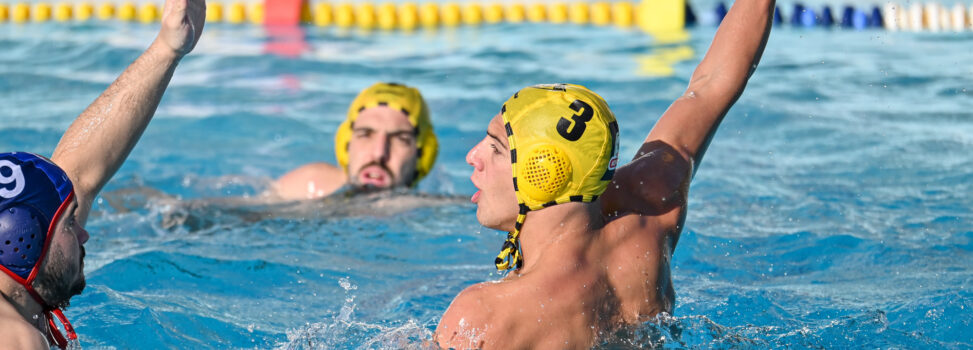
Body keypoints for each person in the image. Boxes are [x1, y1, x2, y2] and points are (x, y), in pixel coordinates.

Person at [434, 0, 775, 347]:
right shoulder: (648, 214)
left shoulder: (484, 314)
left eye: (495, 148)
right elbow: (711, 85)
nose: (472, 156)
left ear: (544, 174)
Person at [0, 0, 205, 347]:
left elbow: (80, 172)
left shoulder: (19, 294)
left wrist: (168, 47)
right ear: (23, 240)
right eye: (68, 223)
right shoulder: (15, 337)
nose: (84, 235)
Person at [271, 82, 438, 200]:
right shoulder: (309, 186)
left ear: (423, 155)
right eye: (365, 134)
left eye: (400, 139)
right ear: (346, 144)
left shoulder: (433, 212)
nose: (379, 153)